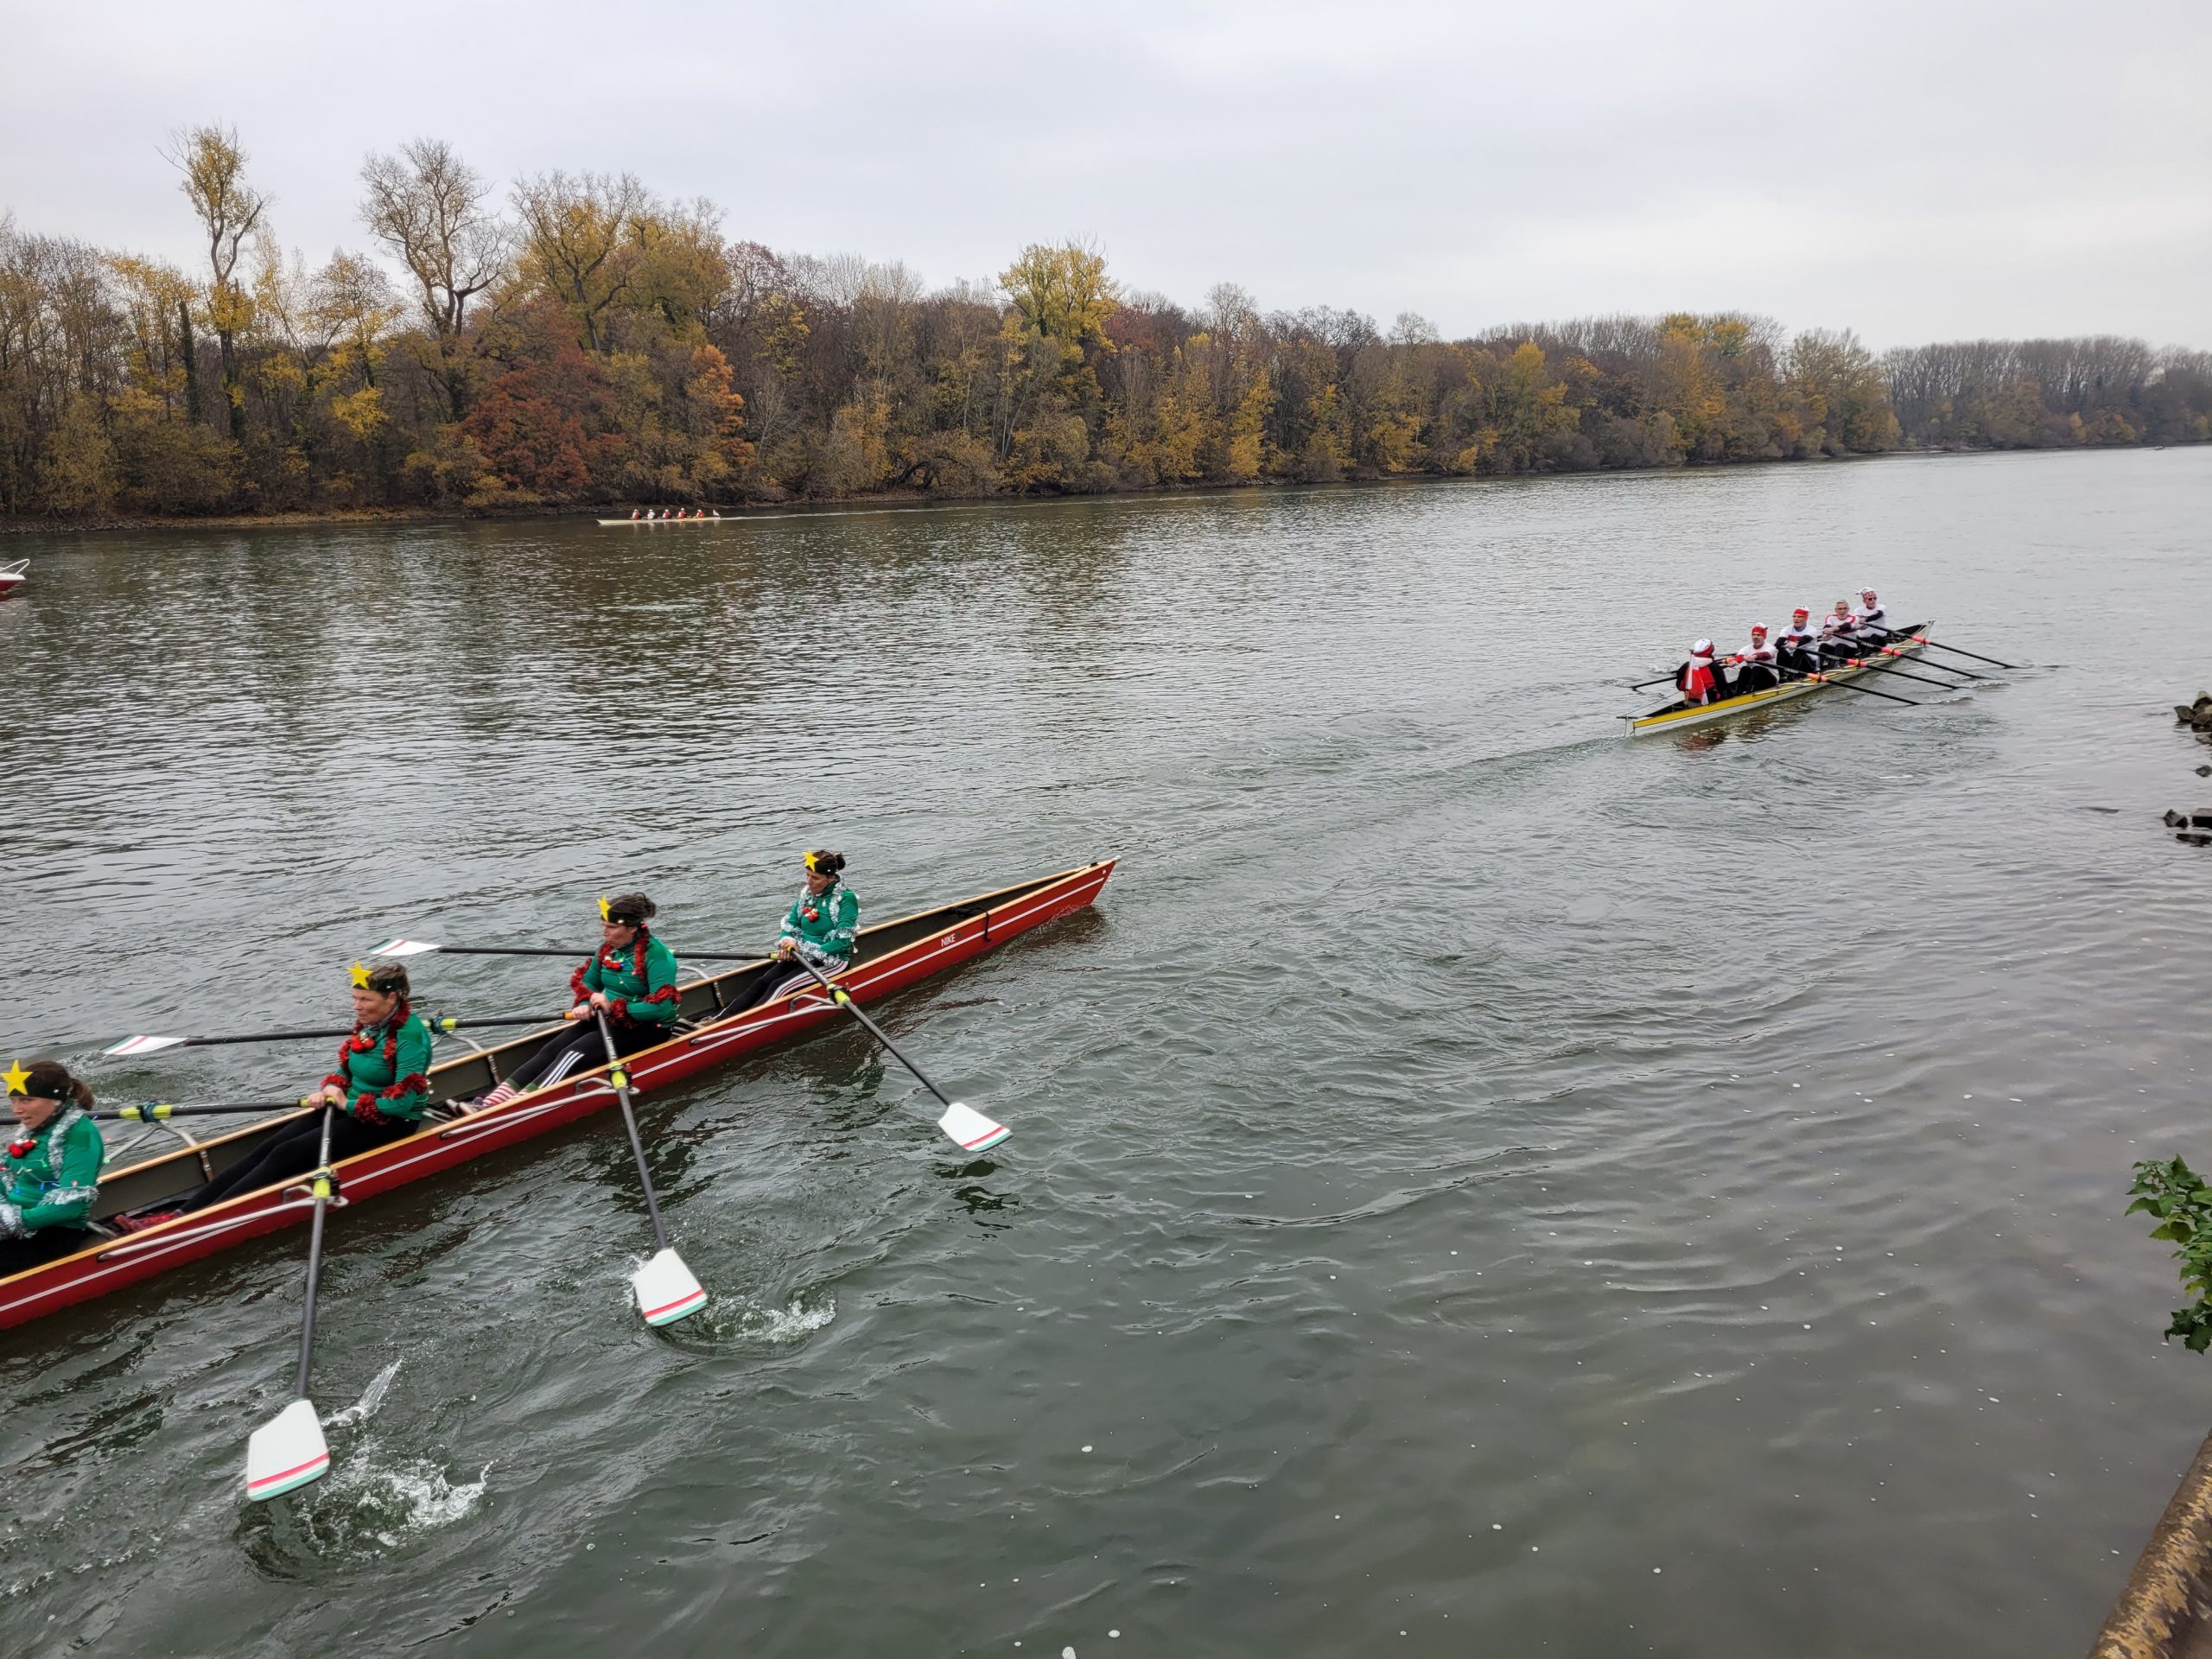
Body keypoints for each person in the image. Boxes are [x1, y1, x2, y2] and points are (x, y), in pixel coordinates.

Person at [124, 962, 433, 1226]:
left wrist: (346, 1103)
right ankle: (180, 1214)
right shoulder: (371, 1024)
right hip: (349, 1107)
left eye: (365, 999)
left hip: (390, 1121)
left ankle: (196, 1224)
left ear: (392, 998)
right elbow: (347, 1069)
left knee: (288, 1154)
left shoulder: (409, 1036)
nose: (357, 1006)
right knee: (269, 1147)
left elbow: (402, 1103)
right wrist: (333, 1086)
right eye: (355, 998)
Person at [468, 893, 681, 1112]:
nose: (604, 932)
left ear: (632, 928)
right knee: (552, 1049)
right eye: (603, 926)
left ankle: (517, 1105)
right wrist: (585, 1003)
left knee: (573, 1052)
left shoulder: (657, 956)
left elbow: (661, 1007)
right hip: (609, 1017)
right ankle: (492, 1101)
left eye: (611, 927)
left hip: (649, 1027)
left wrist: (613, 1006)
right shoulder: (607, 949)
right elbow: (589, 982)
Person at [720, 851, 862, 1015]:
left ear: (830, 879)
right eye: (807, 875)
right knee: (762, 981)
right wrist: (788, 942)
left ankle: (745, 1022)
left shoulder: (846, 898)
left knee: (779, 986)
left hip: (832, 960)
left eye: (815, 878)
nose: (809, 882)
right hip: (800, 954)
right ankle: (719, 1019)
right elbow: (791, 924)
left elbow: (842, 942)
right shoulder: (808, 894)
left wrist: (804, 951)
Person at [0, 1059, 105, 1275]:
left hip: (53, 1233)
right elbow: (6, 1175)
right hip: (12, 1221)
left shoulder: (80, 1135)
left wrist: (9, 1221)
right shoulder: (37, 1127)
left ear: (55, 1100)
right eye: (13, 1101)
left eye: (26, 1100)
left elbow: (69, 1208)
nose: (16, 1110)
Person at [1726, 625, 1780, 694]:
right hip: (1755, 678)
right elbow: (1740, 656)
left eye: (1758, 635)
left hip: (1771, 678)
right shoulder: (1746, 648)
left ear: (1764, 637)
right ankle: (1738, 693)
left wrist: (1754, 656)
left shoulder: (1771, 648)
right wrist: (1735, 661)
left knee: (1756, 668)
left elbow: (1766, 654)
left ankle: (1749, 693)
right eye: (1753, 635)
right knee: (1744, 669)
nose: (1755, 637)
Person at [1674, 640, 1722, 707]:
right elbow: (1722, 686)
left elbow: (1680, 687)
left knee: (1688, 690)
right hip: (1711, 701)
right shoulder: (1714, 666)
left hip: (1691, 702)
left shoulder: (1686, 666)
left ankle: (1687, 706)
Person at [1774, 607, 1820, 676]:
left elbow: (1805, 638)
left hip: (1809, 663)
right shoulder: (1787, 629)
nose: (1796, 619)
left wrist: (1796, 643)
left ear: (1806, 619)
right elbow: (1779, 642)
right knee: (1779, 650)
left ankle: (1792, 675)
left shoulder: (1812, 630)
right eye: (1794, 617)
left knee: (1799, 651)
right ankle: (1780, 674)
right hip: (1792, 660)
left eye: (1799, 617)